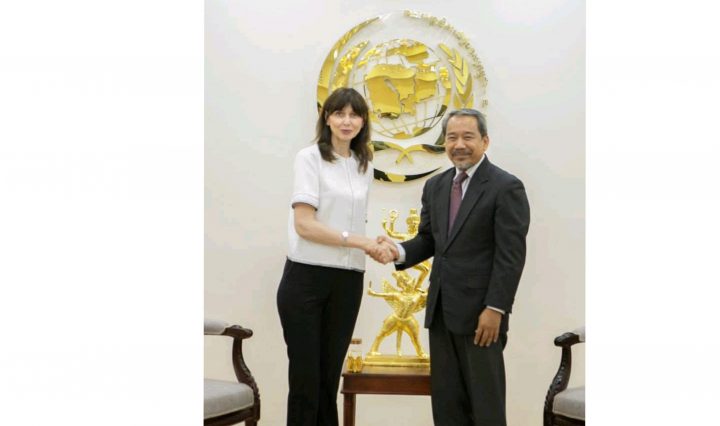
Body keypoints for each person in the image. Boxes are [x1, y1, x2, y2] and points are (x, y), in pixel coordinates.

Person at [376, 108, 530, 426]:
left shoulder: (506, 187)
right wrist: (398, 251)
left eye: (467, 137)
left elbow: (510, 256)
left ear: (485, 141)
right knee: (447, 408)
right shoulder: (436, 186)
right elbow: (429, 240)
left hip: (482, 317)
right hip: (441, 313)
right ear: (444, 143)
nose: (459, 144)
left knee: (485, 408)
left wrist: (496, 308)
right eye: (452, 138)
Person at [276, 87, 394, 426]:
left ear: (363, 122)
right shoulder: (309, 158)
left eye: (354, 115)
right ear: (326, 118)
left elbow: (354, 220)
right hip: (306, 277)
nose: (346, 121)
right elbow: (305, 225)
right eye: (339, 113)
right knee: (306, 380)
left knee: (329, 380)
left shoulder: (364, 164)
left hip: (348, 279)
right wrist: (361, 242)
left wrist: (378, 245)